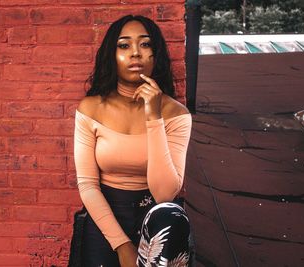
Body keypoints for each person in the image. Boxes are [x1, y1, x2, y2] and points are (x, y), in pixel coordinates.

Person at [73, 14, 192, 267]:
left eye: (145, 44)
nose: (135, 53)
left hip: (157, 218)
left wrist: (154, 116)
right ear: (111, 55)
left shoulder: (177, 115)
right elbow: (87, 185)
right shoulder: (90, 108)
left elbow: (165, 193)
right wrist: (122, 245)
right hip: (105, 217)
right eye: (124, 45)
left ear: (155, 54)